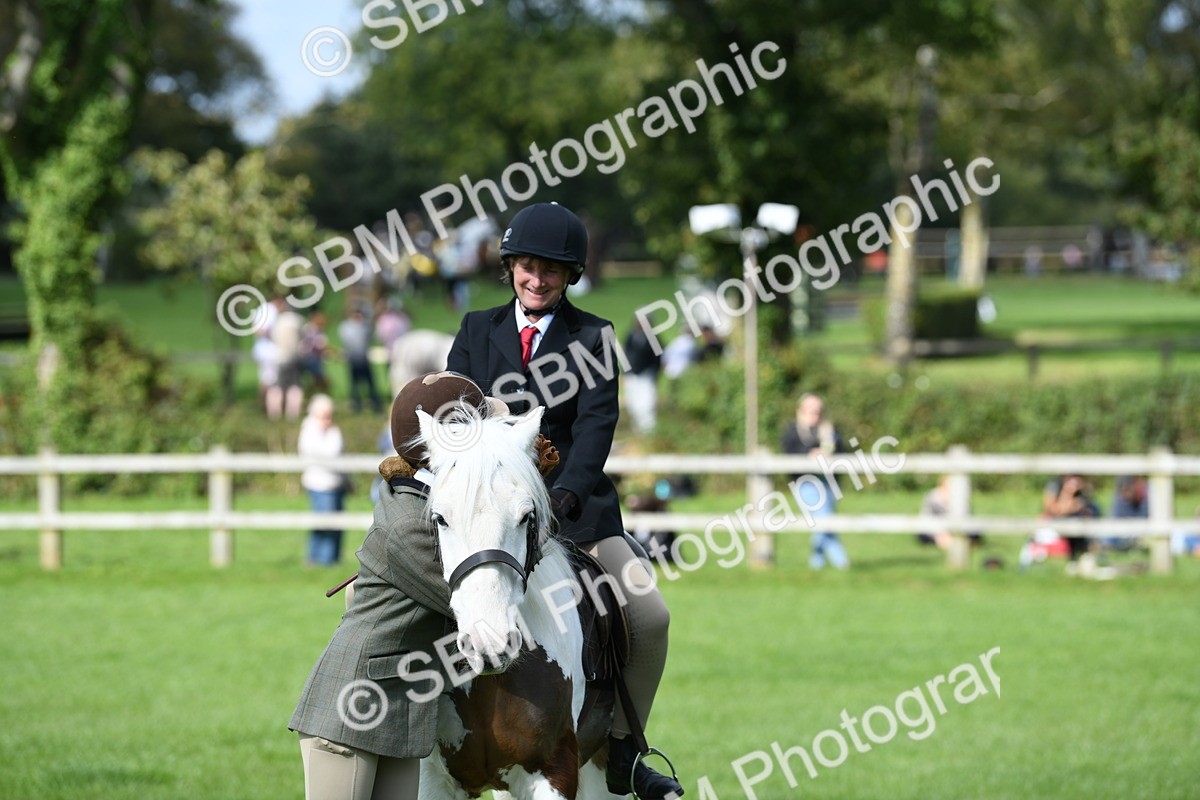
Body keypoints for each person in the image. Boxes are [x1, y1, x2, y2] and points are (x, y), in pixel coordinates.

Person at [445, 202, 684, 800]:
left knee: (651, 616)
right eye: (527, 266)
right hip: (489, 518)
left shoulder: (595, 336)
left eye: (550, 270)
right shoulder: (476, 331)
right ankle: (392, 729)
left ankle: (628, 749)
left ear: (570, 275)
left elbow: (597, 429)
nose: (536, 279)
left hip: (574, 516)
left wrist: (562, 499)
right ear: (510, 267)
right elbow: (456, 424)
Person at [290, 374, 483, 800]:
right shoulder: (408, 524)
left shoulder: (427, 509)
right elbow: (472, 603)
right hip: (352, 710)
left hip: (401, 707)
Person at [781, 392, 849, 570]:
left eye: (818, 411)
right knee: (823, 518)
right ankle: (841, 562)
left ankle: (816, 562)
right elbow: (789, 454)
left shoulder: (829, 430)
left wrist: (829, 447)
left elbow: (842, 452)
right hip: (805, 482)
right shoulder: (792, 431)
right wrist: (809, 454)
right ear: (800, 411)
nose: (814, 414)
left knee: (823, 520)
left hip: (828, 482)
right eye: (810, 410)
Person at [299, 395, 347, 566]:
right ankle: (320, 560)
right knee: (324, 524)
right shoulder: (310, 430)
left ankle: (331, 559)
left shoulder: (333, 430)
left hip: (336, 482)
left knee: (336, 524)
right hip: (319, 483)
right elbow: (328, 454)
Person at [338, 305, 383, 414]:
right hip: (353, 358)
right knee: (354, 384)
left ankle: (375, 403)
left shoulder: (365, 326)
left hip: (364, 359)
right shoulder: (346, 327)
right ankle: (356, 404)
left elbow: (372, 336)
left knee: (370, 383)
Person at [623, 314, 662, 434]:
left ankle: (648, 430)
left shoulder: (653, 338)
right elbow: (626, 354)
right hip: (632, 375)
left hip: (646, 375)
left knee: (646, 403)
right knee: (632, 403)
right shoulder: (631, 335)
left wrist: (654, 373)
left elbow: (658, 358)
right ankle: (637, 430)